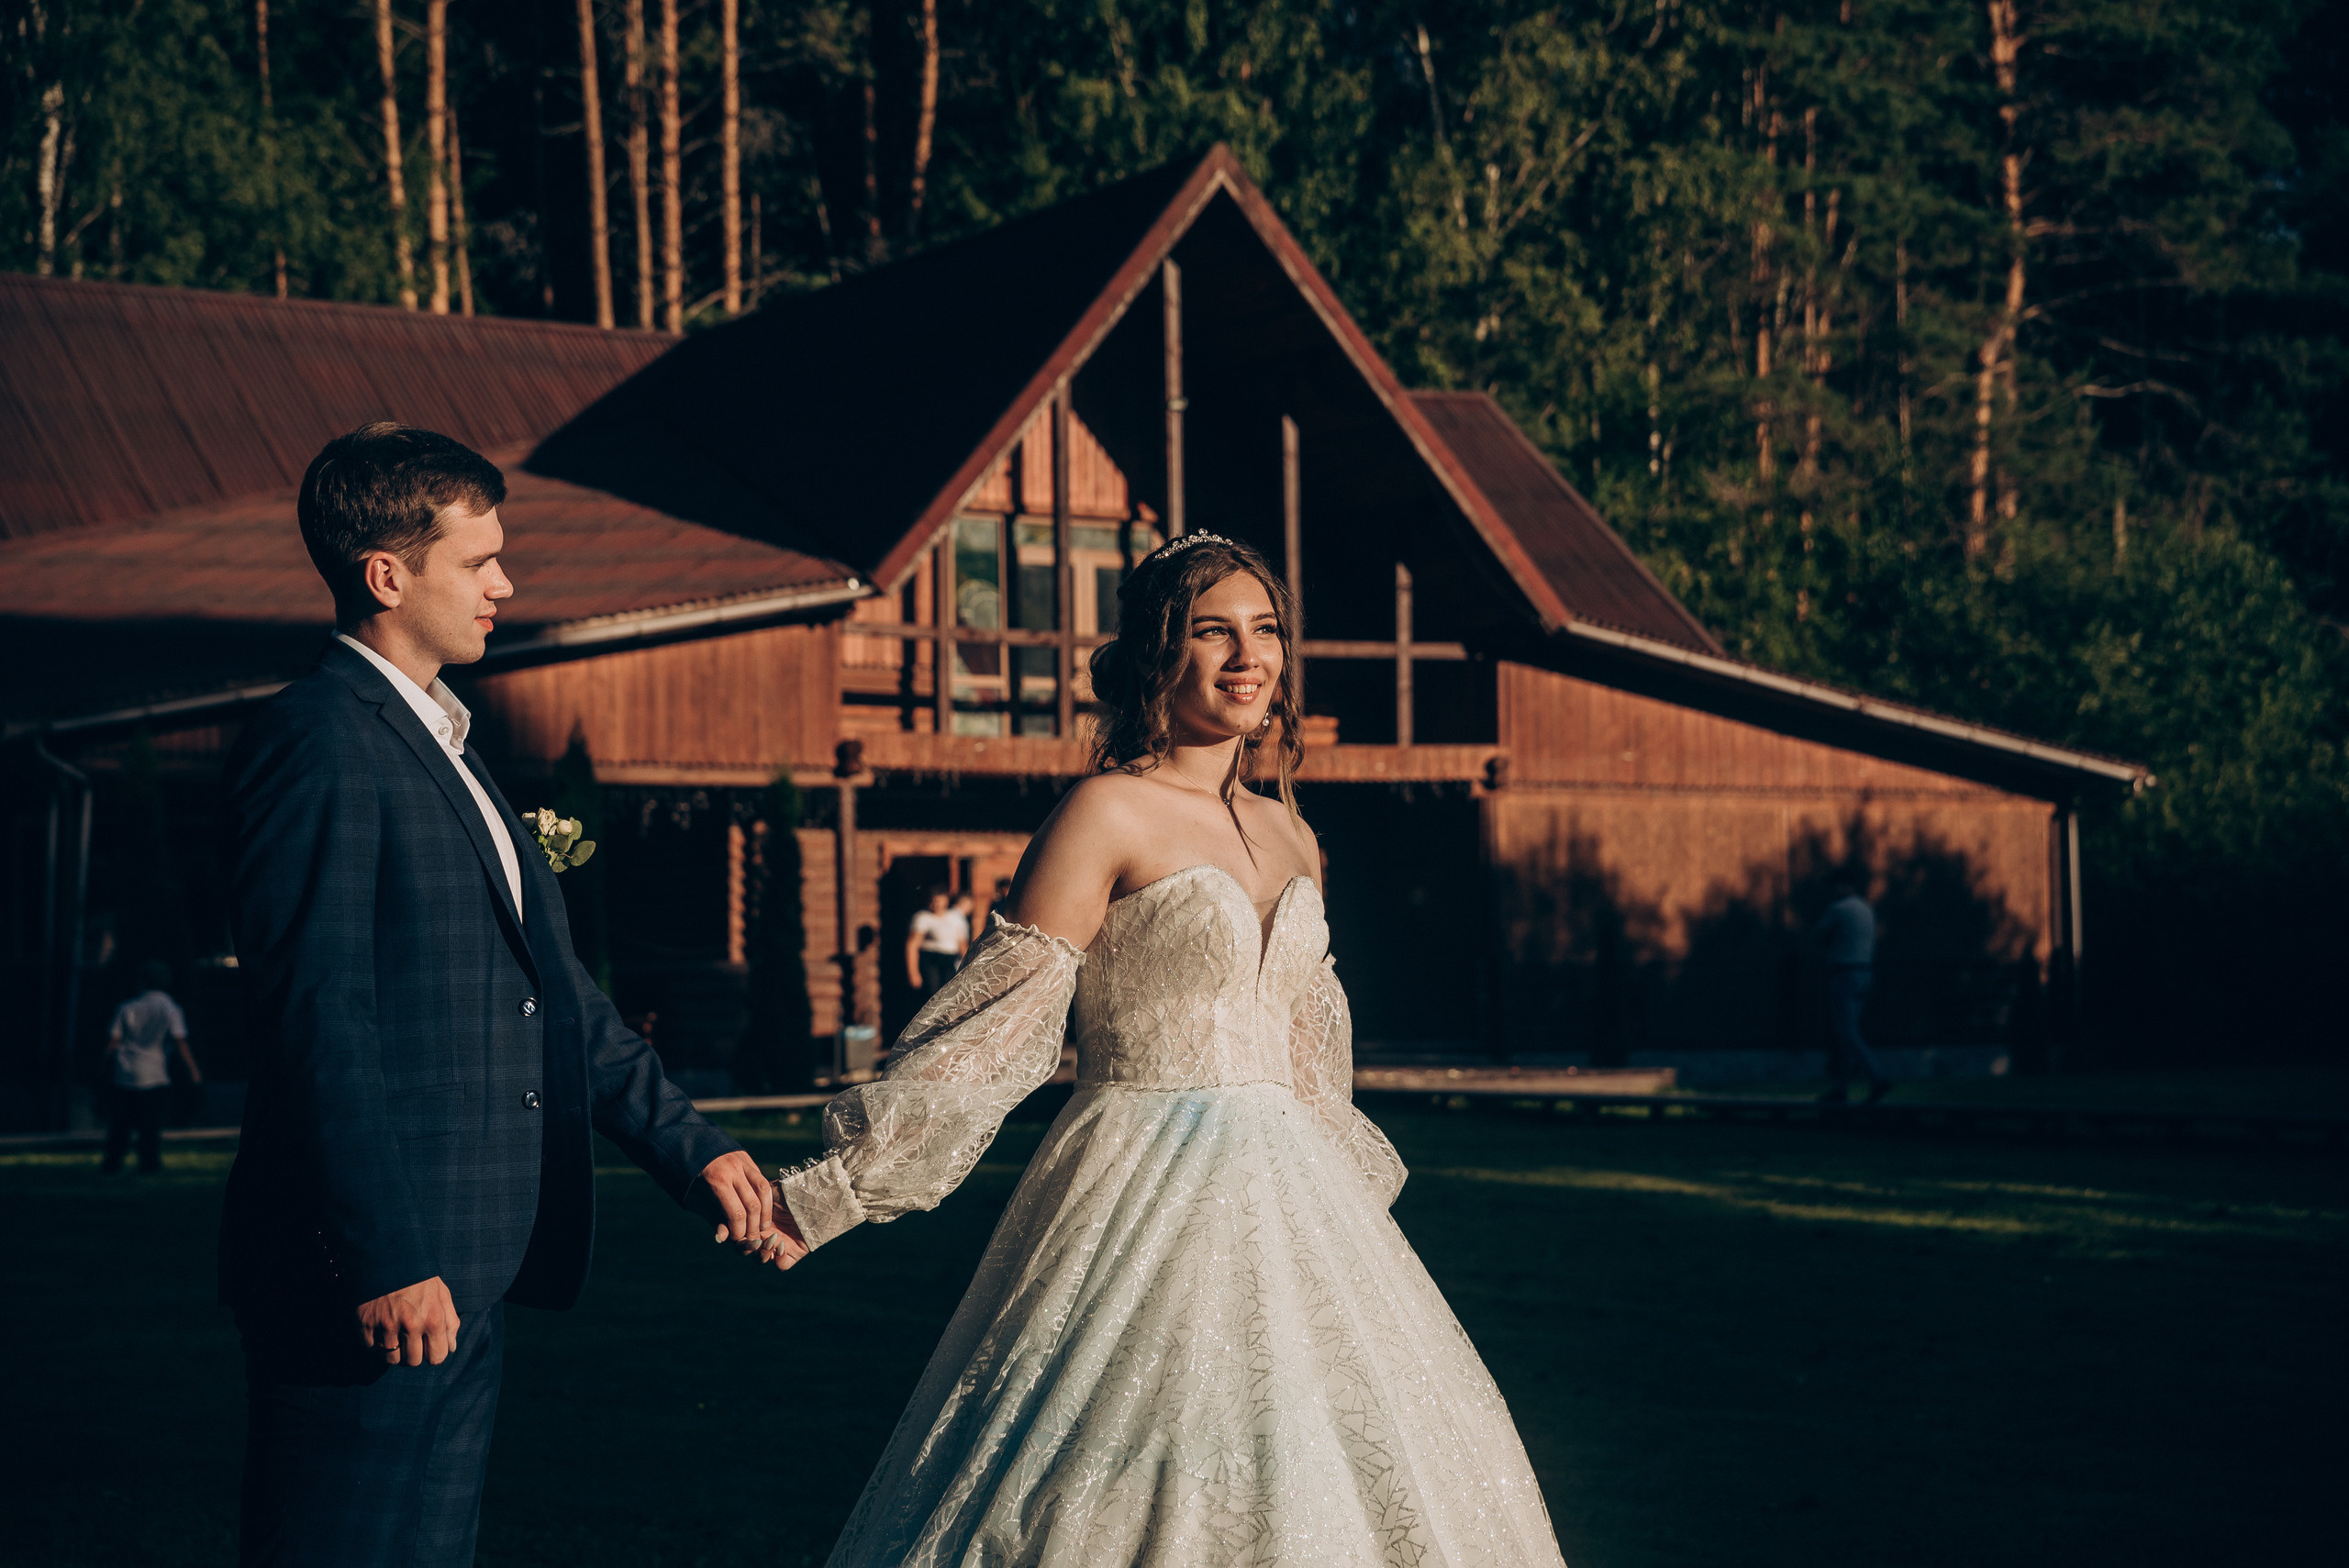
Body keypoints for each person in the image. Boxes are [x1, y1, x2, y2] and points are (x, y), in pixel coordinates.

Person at [776, 533, 1568, 1566]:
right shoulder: (1105, 810)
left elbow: (1307, 1048)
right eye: (1213, 632)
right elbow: (1001, 1024)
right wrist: (839, 1189)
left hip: (1297, 1195)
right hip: (1141, 1175)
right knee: (1109, 1466)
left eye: (1265, 631)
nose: (1248, 658)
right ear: (1159, 651)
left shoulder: (1292, 831)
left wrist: (1344, 1206)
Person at [218, 423, 802, 1568]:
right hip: (377, 1278)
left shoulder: (454, 752)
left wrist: (697, 1153)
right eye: (478, 560)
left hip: (469, 1261)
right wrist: (382, 1255)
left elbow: (560, 1001)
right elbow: (315, 1016)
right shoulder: (320, 738)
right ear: (388, 574)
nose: (506, 582)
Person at [103, 960, 201, 1175]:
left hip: (125, 1072)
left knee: (121, 1124)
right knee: (150, 1125)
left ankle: (112, 1163)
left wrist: (105, 1064)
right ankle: (149, 1164)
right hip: (154, 1073)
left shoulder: (127, 1007)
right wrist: (193, 1070)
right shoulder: (170, 1008)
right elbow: (180, 1042)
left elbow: (113, 1041)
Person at [1813, 877, 1890, 1103]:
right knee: (1850, 1032)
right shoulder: (1867, 909)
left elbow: (1817, 935)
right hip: (1865, 972)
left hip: (1843, 973)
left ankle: (1876, 1076)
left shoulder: (1837, 909)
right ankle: (1841, 1087)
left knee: (1846, 1032)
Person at [903, 887, 969, 1001]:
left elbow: (962, 944)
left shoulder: (954, 918)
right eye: (933, 901)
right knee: (933, 995)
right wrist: (913, 972)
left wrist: (967, 966)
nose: (936, 904)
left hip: (949, 960)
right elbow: (912, 945)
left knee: (950, 994)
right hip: (932, 961)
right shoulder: (923, 918)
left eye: (939, 901)